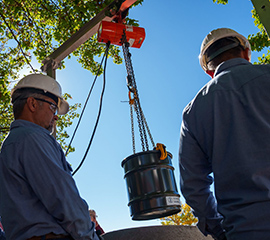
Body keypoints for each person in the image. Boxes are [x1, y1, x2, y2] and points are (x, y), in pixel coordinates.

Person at [179, 27, 270, 240]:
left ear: (208, 70)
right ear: (246, 52)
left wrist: (219, 230)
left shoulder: (193, 112)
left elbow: (193, 185)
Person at [0, 74, 99, 240]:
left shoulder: (11, 144)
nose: (56, 116)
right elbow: (62, 197)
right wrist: (90, 237)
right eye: (53, 107)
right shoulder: (33, 138)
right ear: (32, 103)